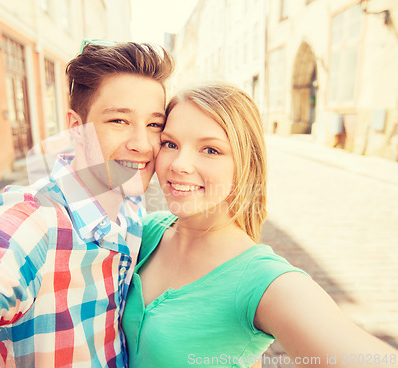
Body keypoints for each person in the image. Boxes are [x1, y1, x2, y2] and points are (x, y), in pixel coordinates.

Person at [0, 41, 174, 367]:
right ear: (78, 130)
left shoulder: (131, 208)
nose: (142, 145)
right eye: (119, 121)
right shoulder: (32, 221)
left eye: (154, 124)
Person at [121, 82, 398, 368]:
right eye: (170, 144)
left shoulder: (264, 280)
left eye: (211, 150)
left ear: (247, 164)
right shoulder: (145, 232)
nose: (180, 164)